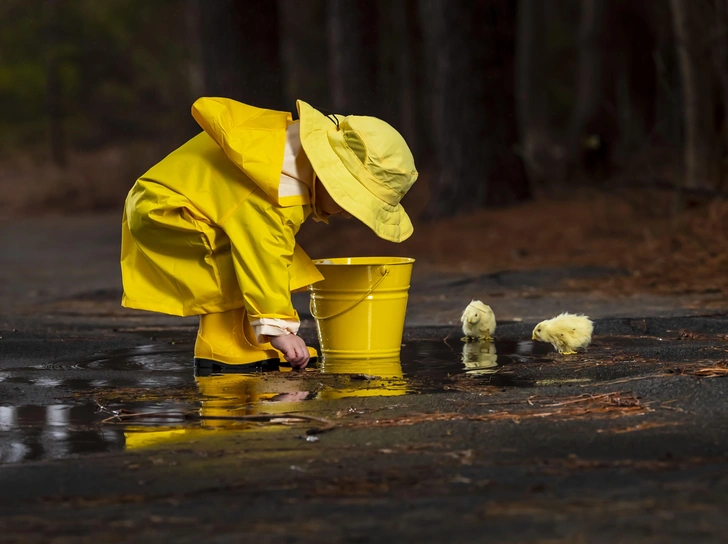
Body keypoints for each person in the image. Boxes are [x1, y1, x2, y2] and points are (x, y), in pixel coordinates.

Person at [120, 97, 418, 372]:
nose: (349, 214)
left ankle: (247, 339)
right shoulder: (275, 187)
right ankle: (221, 344)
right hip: (166, 210)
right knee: (246, 257)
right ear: (330, 173)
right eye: (352, 201)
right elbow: (262, 255)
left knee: (277, 256)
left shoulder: (285, 153)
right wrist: (281, 331)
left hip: (166, 201)